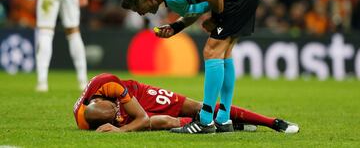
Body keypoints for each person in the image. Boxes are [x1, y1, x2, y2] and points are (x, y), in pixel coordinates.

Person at [121, 0, 260, 133]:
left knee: (212, 51)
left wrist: (216, 19)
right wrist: (176, 27)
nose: (141, 13)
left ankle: (205, 121)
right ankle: (223, 119)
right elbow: (199, 6)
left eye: (137, 8)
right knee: (224, 52)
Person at [73, 73, 299, 134]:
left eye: (114, 110)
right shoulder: (85, 120)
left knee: (198, 107)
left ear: (100, 97)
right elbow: (143, 121)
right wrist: (117, 121)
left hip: (138, 95)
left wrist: (121, 131)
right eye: (113, 116)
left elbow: (141, 117)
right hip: (128, 110)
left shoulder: (108, 83)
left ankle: (272, 122)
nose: (116, 114)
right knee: (166, 122)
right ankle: (221, 125)